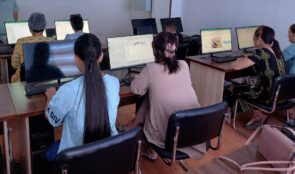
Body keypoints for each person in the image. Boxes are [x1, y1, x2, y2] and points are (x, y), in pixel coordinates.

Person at [127, 32, 206, 160]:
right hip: (191, 130)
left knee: (148, 95)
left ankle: (147, 145)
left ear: (155, 51)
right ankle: (136, 122)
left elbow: (136, 89)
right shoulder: (184, 65)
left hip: (168, 136)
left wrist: (138, 78)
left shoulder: (151, 69)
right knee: (153, 94)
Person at [45, 33, 120, 160]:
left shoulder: (68, 90)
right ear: (101, 57)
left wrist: (50, 97)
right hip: (107, 156)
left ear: (75, 59)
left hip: (74, 162)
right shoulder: (114, 82)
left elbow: (52, 119)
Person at [227, 26, 286, 128]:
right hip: (279, 96)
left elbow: (235, 67)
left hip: (266, 96)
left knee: (233, 88)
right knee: (247, 85)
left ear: (259, 38)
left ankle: (228, 116)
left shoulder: (260, 52)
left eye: (253, 37)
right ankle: (259, 114)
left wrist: (239, 59)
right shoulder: (277, 52)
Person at [11, 12, 54, 83]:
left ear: (30, 28)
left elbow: (14, 65)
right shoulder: (52, 41)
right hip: (47, 80)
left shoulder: (21, 42)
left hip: (23, 81)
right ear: (44, 26)